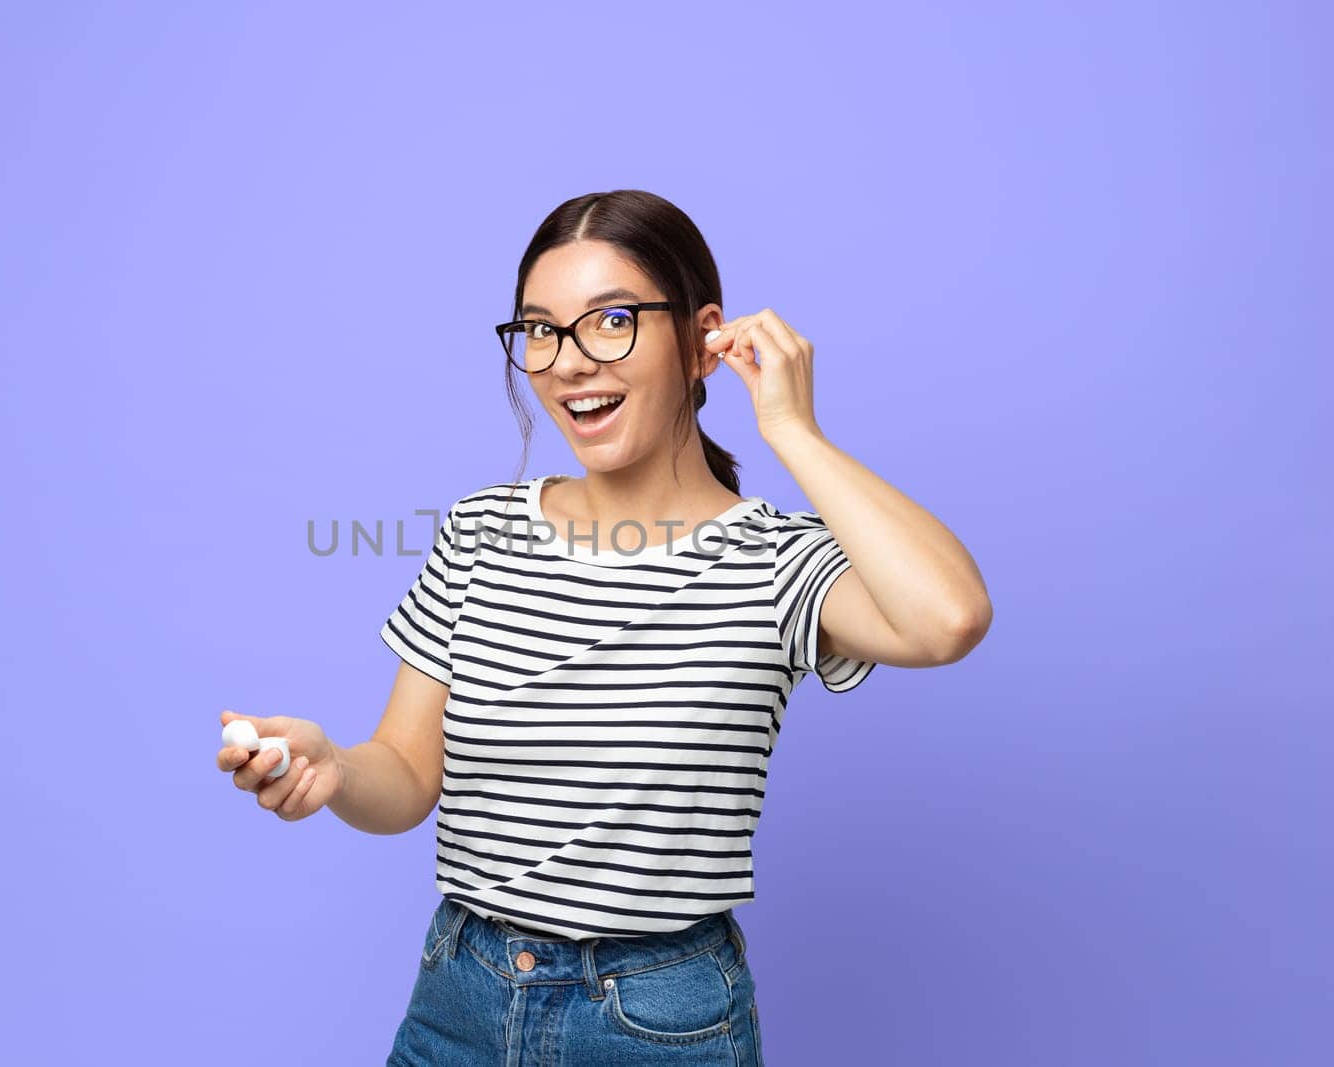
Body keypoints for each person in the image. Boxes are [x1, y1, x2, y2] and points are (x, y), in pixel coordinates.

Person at [216, 189, 992, 1065]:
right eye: (540, 330)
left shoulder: (775, 560)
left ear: (703, 341)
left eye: (611, 320)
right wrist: (334, 768)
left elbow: (950, 618)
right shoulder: (479, 530)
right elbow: (403, 773)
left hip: (660, 1020)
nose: (570, 361)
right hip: (457, 996)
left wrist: (791, 429)